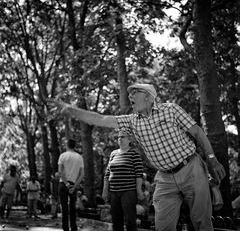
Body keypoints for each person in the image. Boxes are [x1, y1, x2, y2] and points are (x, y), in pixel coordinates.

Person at [48, 83, 226, 231]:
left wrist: (212, 160)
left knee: (202, 222)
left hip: (191, 168)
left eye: (135, 92)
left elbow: (198, 133)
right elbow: (101, 119)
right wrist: (70, 109)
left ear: (148, 97)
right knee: (163, 226)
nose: (130, 96)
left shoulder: (171, 110)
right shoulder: (132, 120)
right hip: (165, 177)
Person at [102, 128, 144, 231]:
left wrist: (139, 190)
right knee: (116, 221)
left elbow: (139, 174)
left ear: (130, 139)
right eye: (119, 137)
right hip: (114, 192)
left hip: (128, 192)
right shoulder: (113, 154)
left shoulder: (134, 154)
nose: (120, 139)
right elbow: (107, 174)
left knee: (130, 221)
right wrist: (105, 190)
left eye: (123, 137)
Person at [58, 139, 84, 231]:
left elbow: (60, 172)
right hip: (74, 184)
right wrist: (75, 186)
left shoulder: (63, 156)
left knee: (64, 207)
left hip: (63, 183)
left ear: (67, 145)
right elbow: (82, 174)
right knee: (72, 207)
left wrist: (67, 184)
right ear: (74, 146)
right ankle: (74, 228)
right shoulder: (79, 157)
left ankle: (65, 228)